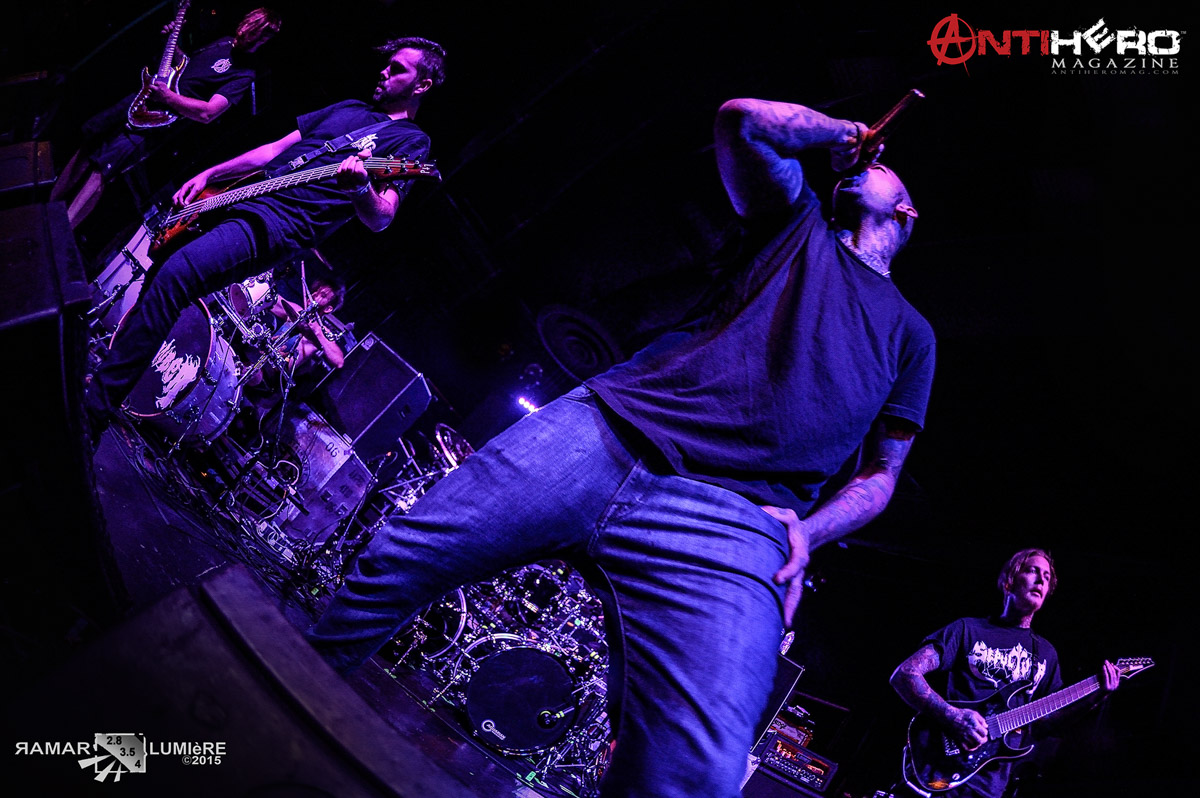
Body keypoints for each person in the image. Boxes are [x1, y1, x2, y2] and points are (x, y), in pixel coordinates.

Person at [304, 94, 935, 798]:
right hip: (605, 430)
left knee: (696, 771)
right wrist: (840, 132)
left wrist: (810, 534)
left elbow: (882, 474)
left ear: (905, 212)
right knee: (397, 560)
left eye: (886, 172)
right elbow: (742, 121)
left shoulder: (913, 336)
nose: (869, 166)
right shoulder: (797, 224)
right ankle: (265, 739)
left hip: (735, 520)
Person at [83, 36, 447, 444]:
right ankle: (105, 382)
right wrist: (210, 175)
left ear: (422, 84)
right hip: (244, 197)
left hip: (280, 223)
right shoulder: (349, 108)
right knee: (161, 271)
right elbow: (274, 150)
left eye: (397, 69)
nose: (383, 71)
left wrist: (362, 187)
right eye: (386, 64)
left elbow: (382, 217)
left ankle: (92, 412)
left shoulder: (412, 143)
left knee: (176, 276)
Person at [889, 548, 1122, 798]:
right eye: (1032, 571)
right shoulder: (967, 629)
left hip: (989, 787)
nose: (1041, 580)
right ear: (1009, 580)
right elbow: (905, 674)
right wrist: (953, 717)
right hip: (938, 767)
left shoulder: (1046, 653)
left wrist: (1096, 696)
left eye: (1046, 577)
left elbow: (1046, 725)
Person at [49, 7, 284, 229]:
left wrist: (168, 97)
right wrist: (172, 44)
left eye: (256, 33)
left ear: (264, 39)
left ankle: (61, 228)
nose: (246, 32)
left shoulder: (245, 73)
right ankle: (48, 206)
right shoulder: (224, 41)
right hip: (144, 95)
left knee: (102, 169)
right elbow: (187, 67)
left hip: (158, 118)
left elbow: (208, 112)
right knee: (88, 146)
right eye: (248, 25)